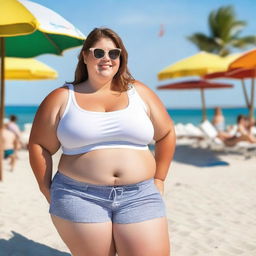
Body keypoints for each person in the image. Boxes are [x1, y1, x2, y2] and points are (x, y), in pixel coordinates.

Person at [28, 27, 176, 256]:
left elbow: (166, 134)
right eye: (99, 53)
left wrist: (160, 178)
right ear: (85, 56)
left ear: (121, 58)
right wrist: (46, 188)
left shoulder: (140, 92)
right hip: (78, 196)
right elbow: (39, 145)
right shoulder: (62, 97)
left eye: (114, 53)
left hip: (140, 195)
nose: (106, 59)